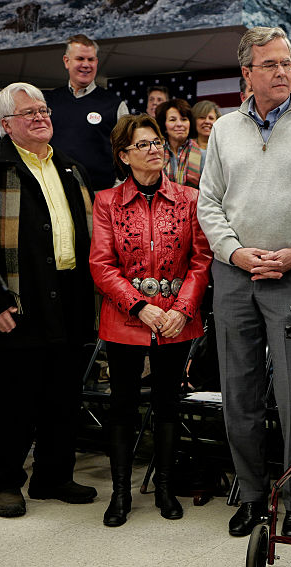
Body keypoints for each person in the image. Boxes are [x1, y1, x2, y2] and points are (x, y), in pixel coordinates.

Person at [197, 27, 291, 538]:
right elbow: (208, 203)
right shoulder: (223, 130)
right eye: (271, 64)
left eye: (288, 63)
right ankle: (253, 495)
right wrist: (236, 252)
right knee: (238, 392)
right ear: (247, 73)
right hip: (235, 276)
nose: (284, 72)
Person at [0, 82, 98, 518]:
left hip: (70, 299)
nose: (40, 117)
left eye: (44, 109)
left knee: (64, 397)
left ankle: (53, 476)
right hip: (14, 303)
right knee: (15, 400)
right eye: (28, 112)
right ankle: (6, 481)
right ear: (5, 125)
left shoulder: (71, 168)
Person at [90, 114, 212, 526]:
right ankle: (120, 493)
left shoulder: (189, 198)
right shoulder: (106, 201)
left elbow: (201, 260)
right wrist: (141, 306)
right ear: (124, 155)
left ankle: (163, 489)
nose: (155, 149)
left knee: (167, 406)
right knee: (123, 406)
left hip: (177, 321)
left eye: (157, 142)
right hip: (126, 319)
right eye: (143, 144)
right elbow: (102, 265)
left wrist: (181, 310)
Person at [44, 34, 130, 191]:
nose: (86, 64)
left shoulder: (114, 104)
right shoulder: (47, 102)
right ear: (66, 61)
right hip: (57, 191)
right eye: (80, 59)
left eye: (91, 60)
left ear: (96, 62)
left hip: (100, 195)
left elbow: (127, 151)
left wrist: (116, 190)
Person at [156, 98, 202, 188]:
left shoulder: (203, 155)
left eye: (184, 119)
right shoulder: (156, 152)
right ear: (164, 125)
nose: (179, 124)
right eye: (173, 120)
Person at [190, 99, 220, 168]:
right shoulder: (185, 148)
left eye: (211, 118)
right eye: (202, 117)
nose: (207, 121)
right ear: (194, 121)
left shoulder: (223, 147)